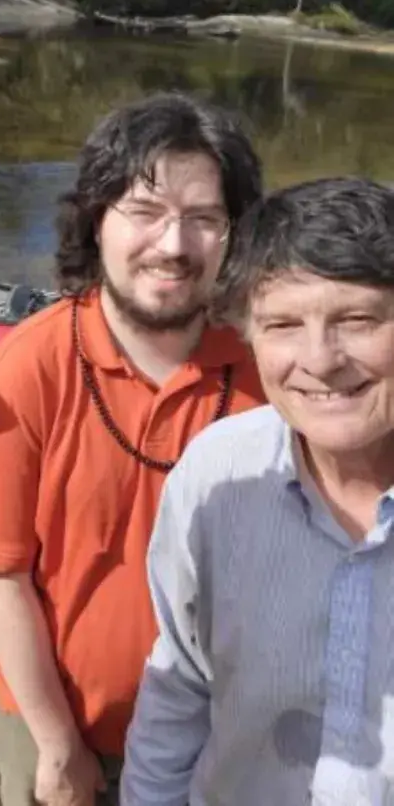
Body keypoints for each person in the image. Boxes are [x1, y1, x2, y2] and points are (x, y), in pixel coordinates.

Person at [0, 91, 267, 806]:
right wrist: (57, 744)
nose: (174, 245)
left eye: (204, 219)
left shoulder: (270, 370)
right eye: (145, 212)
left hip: (220, 734)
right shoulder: (30, 365)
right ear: (97, 220)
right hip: (59, 723)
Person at [122, 177, 394, 806]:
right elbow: (181, 686)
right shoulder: (217, 475)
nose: (320, 359)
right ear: (247, 334)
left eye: (357, 319)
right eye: (283, 324)